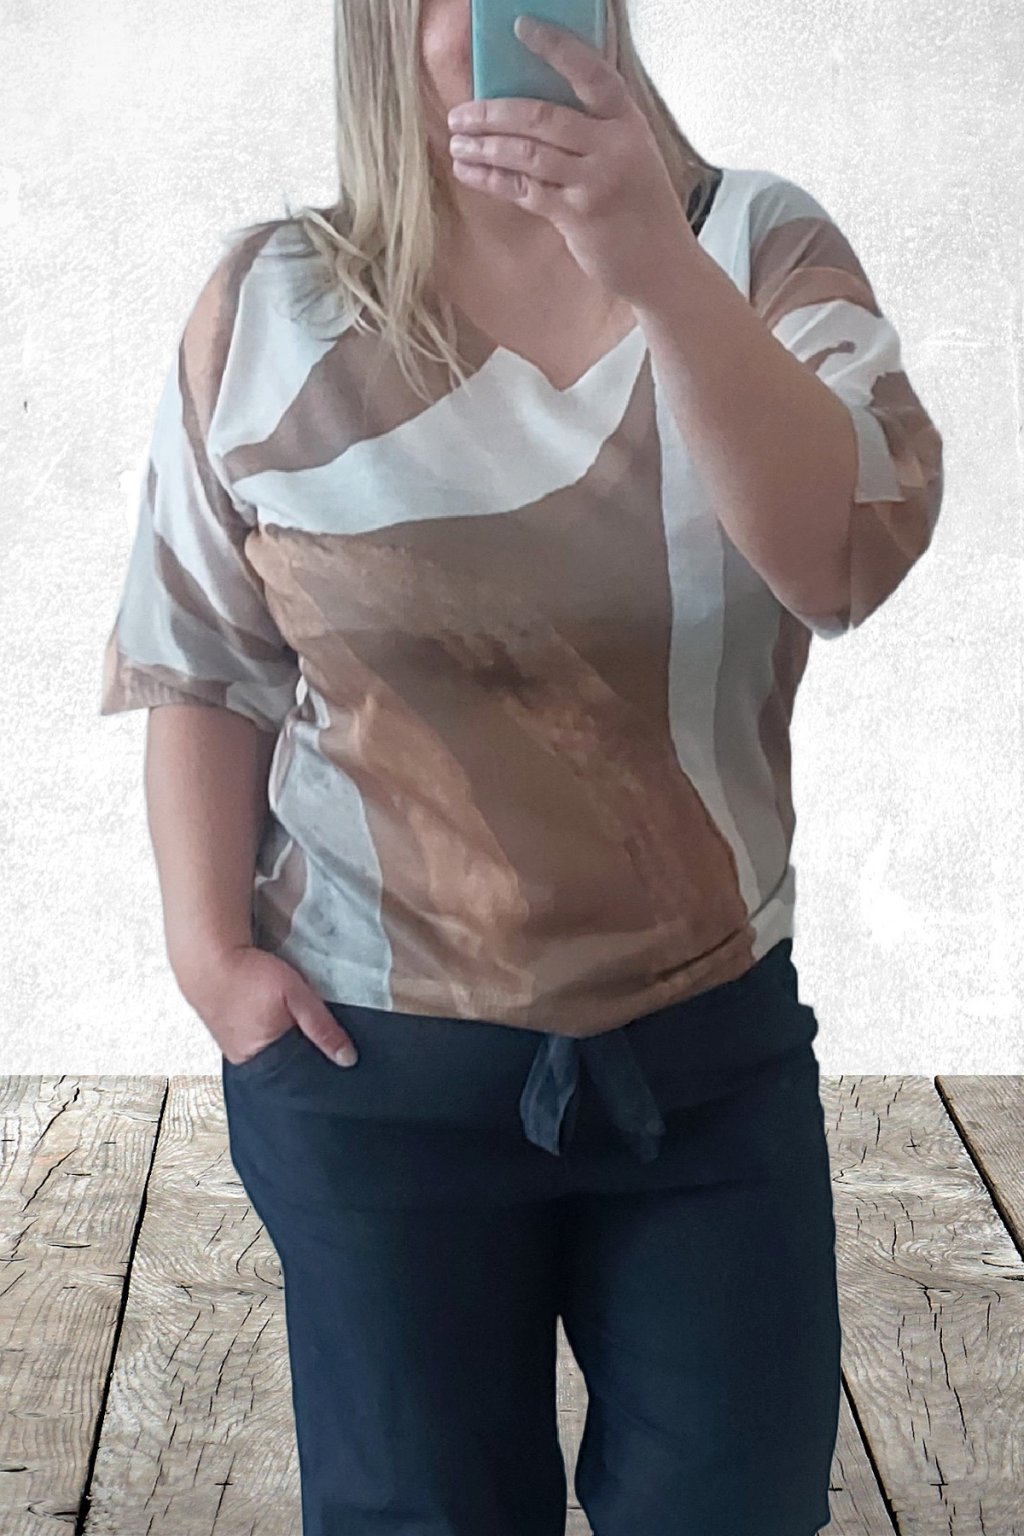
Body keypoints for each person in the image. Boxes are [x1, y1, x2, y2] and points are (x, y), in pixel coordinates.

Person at [99, 1, 944, 1532]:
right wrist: (212, 962)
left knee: (736, 1506)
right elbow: (202, 658)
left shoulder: (756, 248)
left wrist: (655, 267)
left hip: (705, 1049)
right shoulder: (273, 305)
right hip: (370, 1070)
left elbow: (844, 560)